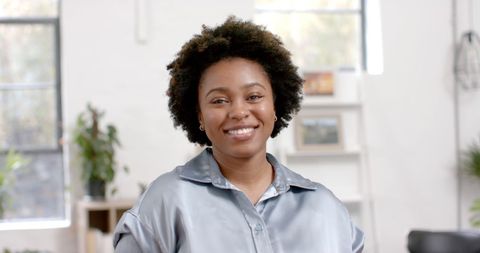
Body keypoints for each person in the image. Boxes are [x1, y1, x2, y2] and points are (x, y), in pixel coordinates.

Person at [113, 16, 364, 253]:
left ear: (275, 104)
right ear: (198, 114)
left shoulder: (325, 206)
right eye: (219, 100)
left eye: (254, 96)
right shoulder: (165, 201)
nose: (239, 111)